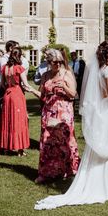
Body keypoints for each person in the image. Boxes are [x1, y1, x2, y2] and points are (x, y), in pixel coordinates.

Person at [34, 40, 108, 210]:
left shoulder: (100, 70)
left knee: (99, 148)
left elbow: (102, 94)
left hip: (103, 114)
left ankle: (100, 182)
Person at [26, 48, 80, 184]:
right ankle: (46, 172)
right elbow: (43, 95)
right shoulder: (45, 76)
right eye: (54, 62)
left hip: (64, 112)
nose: (57, 65)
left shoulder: (66, 74)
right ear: (49, 62)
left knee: (64, 141)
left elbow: (73, 94)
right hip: (49, 111)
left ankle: (68, 170)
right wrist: (31, 90)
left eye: (59, 62)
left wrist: (64, 87)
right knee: (47, 142)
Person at [0, 47, 30, 156]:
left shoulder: (4, 68)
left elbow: (2, 84)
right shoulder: (19, 68)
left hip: (7, 94)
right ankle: (19, 149)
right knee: (18, 120)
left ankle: (6, 147)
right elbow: (25, 84)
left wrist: (8, 87)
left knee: (8, 120)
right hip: (17, 94)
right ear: (19, 56)